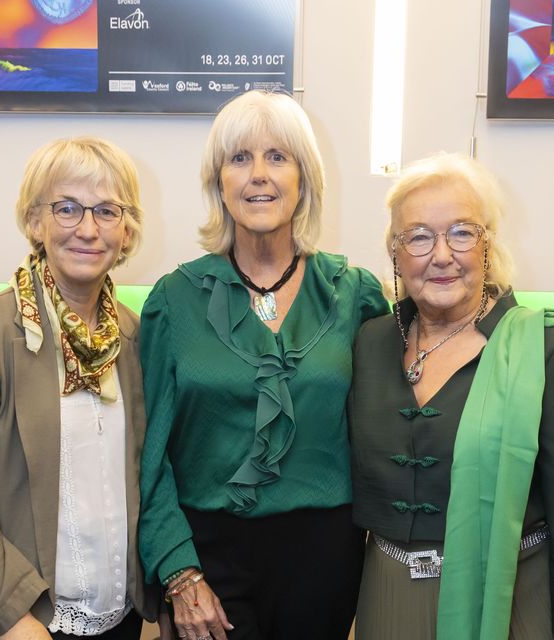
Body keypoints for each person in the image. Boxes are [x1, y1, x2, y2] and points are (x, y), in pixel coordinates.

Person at [137, 90, 389, 640]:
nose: (258, 176)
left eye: (278, 157)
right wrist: (178, 571)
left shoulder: (357, 296)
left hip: (325, 556)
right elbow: (148, 454)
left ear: (305, 180)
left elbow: (390, 425)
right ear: (218, 182)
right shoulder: (172, 300)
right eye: (239, 159)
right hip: (204, 558)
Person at [348, 153, 554, 639]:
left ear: (487, 243)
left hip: (510, 601)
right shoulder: (368, 342)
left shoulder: (549, 350)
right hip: (387, 601)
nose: (442, 254)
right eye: (419, 236)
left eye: (461, 232)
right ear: (395, 252)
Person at [0, 137, 159, 640]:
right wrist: (15, 619)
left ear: (127, 230)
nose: (88, 229)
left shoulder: (136, 337)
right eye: (67, 208)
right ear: (36, 222)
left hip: (121, 617)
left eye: (107, 211)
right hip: (26, 623)